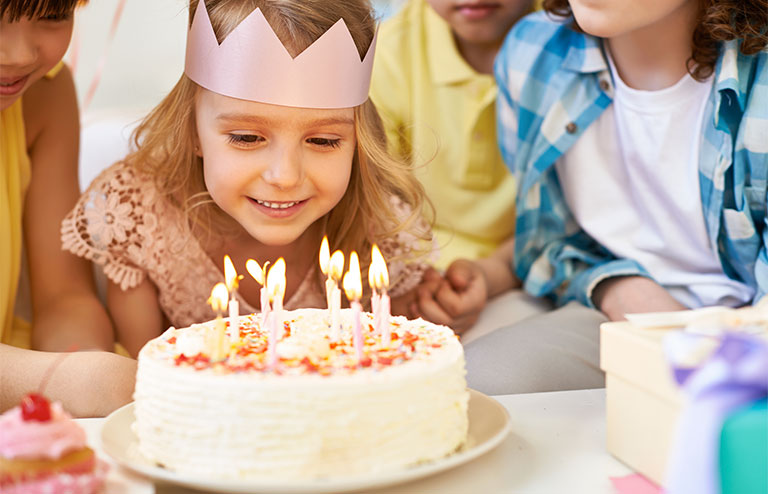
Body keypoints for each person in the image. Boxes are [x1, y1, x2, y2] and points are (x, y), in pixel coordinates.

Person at [62, 0, 447, 357]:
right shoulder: (141, 217)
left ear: (357, 141)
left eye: (324, 140)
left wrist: (448, 303)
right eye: (246, 138)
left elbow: (393, 357)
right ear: (193, 131)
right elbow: (145, 373)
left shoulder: (380, 231)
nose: (285, 176)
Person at [466, 0, 768, 394]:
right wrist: (616, 286)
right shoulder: (532, 53)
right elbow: (547, 241)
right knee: (472, 386)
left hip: (751, 334)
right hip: (617, 317)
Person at [371, 0, 547, 336]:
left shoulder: (567, 47)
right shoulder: (387, 54)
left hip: (532, 277)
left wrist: (491, 272)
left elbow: (568, 223)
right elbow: (376, 206)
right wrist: (418, 285)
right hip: (410, 278)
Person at [0, 0, 135, 416]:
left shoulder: (44, 93)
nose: (19, 54)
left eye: (52, 16)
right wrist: (76, 380)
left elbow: (62, 295)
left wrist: (82, 355)